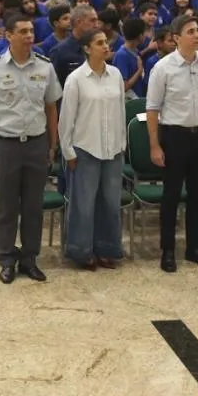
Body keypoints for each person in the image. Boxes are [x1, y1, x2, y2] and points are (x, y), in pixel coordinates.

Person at [0, 13, 62, 284]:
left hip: (36, 143)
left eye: (31, 31)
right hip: (6, 144)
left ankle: (30, 258)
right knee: (7, 206)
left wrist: (52, 143)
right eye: (22, 31)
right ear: (8, 35)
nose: (29, 36)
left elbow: (51, 106)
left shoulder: (45, 67)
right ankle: (7, 258)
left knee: (34, 205)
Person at [145, 15, 198, 272]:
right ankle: (168, 250)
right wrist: (155, 145)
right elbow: (153, 109)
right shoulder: (163, 68)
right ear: (177, 38)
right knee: (171, 195)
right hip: (174, 135)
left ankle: (194, 248)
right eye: (191, 31)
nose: (197, 35)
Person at [58, 29, 126, 271]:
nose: (105, 46)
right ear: (87, 48)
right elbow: (66, 118)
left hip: (113, 149)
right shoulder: (76, 79)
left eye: (106, 42)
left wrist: (122, 143)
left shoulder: (115, 74)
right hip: (85, 148)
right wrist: (68, 151)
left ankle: (107, 248)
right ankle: (81, 250)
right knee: (83, 204)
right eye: (99, 43)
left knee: (110, 202)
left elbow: (121, 109)